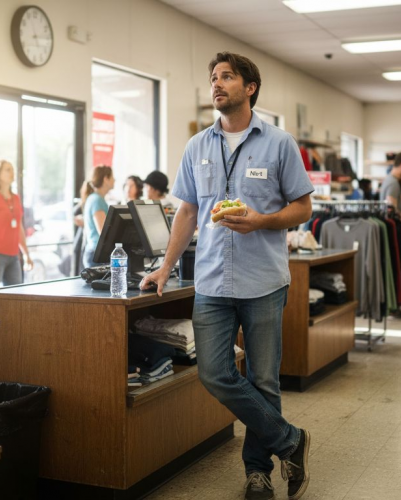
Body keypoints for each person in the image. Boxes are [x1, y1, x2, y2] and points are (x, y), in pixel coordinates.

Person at [140, 51, 313, 500]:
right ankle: (291, 440)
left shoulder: (279, 143)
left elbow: (302, 207)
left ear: (249, 87)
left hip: (264, 282)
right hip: (212, 282)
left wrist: (261, 220)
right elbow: (187, 211)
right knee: (215, 373)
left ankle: (257, 473)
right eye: (214, 78)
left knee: (264, 381)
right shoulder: (198, 145)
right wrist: (165, 266)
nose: (217, 84)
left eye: (227, 77)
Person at [0, 160, 33, 289]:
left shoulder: (16, 198)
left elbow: (19, 228)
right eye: (7, 170)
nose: (12, 172)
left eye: (12, 169)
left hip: (13, 256)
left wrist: (26, 254)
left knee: (16, 298)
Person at [380, 151, 401, 319]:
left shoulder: (389, 180)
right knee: (397, 266)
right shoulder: (393, 183)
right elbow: (390, 208)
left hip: (390, 229)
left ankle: (394, 305)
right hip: (394, 230)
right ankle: (394, 306)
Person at [82, 166, 115, 268]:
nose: (114, 180)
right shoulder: (97, 200)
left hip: (94, 253)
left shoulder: (96, 198)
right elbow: (103, 231)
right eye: (112, 177)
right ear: (106, 179)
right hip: (96, 255)